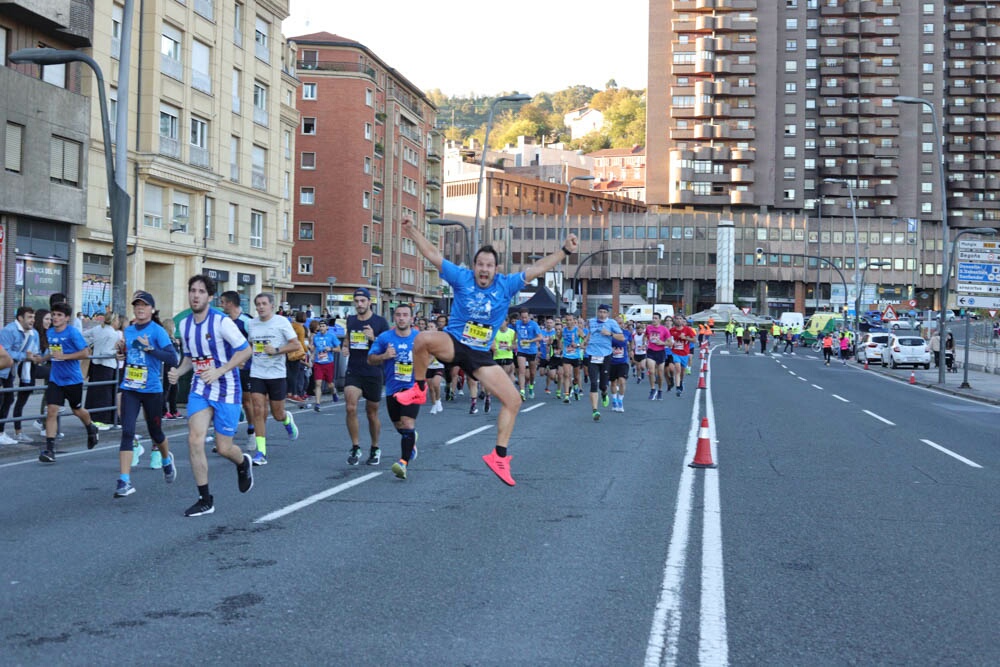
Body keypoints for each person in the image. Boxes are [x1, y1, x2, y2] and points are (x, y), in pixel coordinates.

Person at [392, 218, 579, 486]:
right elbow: (433, 255)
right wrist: (411, 230)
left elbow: (537, 268)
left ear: (495, 269)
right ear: (474, 266)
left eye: (489, 266)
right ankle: (419, 388)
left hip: (480, 355)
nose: (484, 270)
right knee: (422, 339)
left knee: (514, 400)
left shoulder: (506, 284)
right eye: (480, 264)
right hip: (455, 342)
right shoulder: (461, 277)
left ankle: (499, 456)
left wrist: (565, 252)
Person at [168, 274, 254, 517]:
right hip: (200, 388)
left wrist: (220, 370)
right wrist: (178, 370)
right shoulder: (184, 325)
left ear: (210, 296)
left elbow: (245, 350)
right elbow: (190, 357)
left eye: (201, 291)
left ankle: (242, 462)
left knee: (224, 447)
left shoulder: (221, 322)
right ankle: (205, 499)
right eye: (192, 290)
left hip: (227, 388)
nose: (196, 295)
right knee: (194, 440)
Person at [111, 291, 179, 498]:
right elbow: (129, 354)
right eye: (136, 305)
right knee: (127, 431)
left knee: (156, 433)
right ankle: (124, 480)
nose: (140, 308)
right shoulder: (129, 331)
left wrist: (150, 349)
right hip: (130, 387)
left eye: (144, 305)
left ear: (151, 309)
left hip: (151, 390)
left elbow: (173, 358)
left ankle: (167, 459)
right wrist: (121, 353)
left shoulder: (157, 331)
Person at [38, 302, 100, 463]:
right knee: (51, 410)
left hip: (73, 380)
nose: (55, 317)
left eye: (59, 315)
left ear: (66, 318)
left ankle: (91, 427)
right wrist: (41, 358)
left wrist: (65, 356)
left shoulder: (72, 333)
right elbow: (53, 353)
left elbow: (86, 352)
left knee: (77, 410)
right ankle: (50, 450)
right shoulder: (50, 332)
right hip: (56, 379)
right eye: (54, 314)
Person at [247, 293, 301, 465]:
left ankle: (286, 419)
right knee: (258, 410)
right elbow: (251, 345)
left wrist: (276, 350)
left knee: (277, 413)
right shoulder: (252, 324)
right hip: (257, 372)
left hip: (276, 374)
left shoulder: (281, 322)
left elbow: (296, 345)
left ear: (271, 305)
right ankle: (261, 452)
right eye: (258, 304)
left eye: (264, 303)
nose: (260, 307)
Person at [367, 303, 420, 480]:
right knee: (399, 425)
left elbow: (433, 355)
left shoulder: (419, 338)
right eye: (398, 315)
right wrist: (383, 356)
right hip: (392, 388)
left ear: (411, 318)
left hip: (413, 387)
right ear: (394, 317)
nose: (402, 318)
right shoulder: (384, 338)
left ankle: (403, 463)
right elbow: (370, 359)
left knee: (407, 422)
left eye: (405, 315)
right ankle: (411, 438)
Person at [341, 287, 389, 466]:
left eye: (362, 301)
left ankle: (375, 447)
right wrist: (345, 346)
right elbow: (348, 338)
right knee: (350, 407)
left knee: (371, 412)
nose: (359, 304)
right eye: (356, 301)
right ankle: (355, 446)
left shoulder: (380, 322)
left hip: (373, 371)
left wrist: (373, 338)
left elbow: (387, 347)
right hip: (354, 369)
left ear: (369, 302)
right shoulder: (351, 320)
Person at [0, 307, 43, 445]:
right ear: (20, 318)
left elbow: (35, 351)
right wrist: (25, 356)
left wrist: (36, 356)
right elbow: (4, 353)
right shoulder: (9, 330)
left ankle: (1, 432)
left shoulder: (33, 333)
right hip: (2, 369)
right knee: (4, 399)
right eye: (29, 317)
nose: (33, 320)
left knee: (8, 399)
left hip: (11, 371)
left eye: (33, 317)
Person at [219, 291, 256, 439]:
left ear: (230, 304)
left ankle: (252, 430)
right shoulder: (223, 321)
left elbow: (255, 344)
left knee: (247, 402)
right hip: (228, 367)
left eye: (222, 302)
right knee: (225, 401)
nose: (220, 305)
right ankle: (225, 434)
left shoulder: (247, 321)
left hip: (245, 368)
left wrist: (245, 359)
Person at [583, 305, 625, 421]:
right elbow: (590, 334)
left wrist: (610, 334)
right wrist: (585, 342)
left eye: (604, 312)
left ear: (608, 314)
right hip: (592, 354)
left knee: (603, 384)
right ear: (597, 312)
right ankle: (595, 410)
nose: (602, 314)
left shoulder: (612, 323)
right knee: (593, 383)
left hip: (606, 355)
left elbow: (622, 337)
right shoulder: (591, 321)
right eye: (600, 312)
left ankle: (604, 392)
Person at [82, 311, 119, 429]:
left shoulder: (98, 329)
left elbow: (83, 334)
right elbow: (106, 352)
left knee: (95, 391)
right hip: (107, 365)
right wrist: (116, 352)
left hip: (95, 364)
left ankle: (92, 416)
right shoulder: (114, 334)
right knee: (106, 393)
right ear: (114, 321)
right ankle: (104, 418)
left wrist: (89, 345)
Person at [311, 318, 341, 412]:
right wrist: (311, 354)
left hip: (328, 363)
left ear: (327, 327)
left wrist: (331, 349)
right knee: (318, 383)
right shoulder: (315, 337)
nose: (321, 328)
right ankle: (318, 404)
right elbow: (314, 348)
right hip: (318, 363)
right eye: (320, 326)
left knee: (330, 385)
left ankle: (334, 393)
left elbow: (338, 349)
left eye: (323, 326)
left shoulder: (332, 336)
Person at [514, 308, 543, 400]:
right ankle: (522, 391)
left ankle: (531, 387)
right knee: (521, 371)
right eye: (522, 317)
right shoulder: (518, 323)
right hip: (521, 350)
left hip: (531, 350)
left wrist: (530, 341)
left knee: (532, 373)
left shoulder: (534, 325)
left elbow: (540, 337)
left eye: (526, 317)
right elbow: (515, 333)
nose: (524, 319)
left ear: (529, 316)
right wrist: (514, 341)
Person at [645, 312, 672, 399]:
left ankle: (660, 390)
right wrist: (645, 342)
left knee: (660, 375)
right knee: (651, 371)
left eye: (656, 318)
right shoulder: (649, 328)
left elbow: (670, 343)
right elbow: (645, 336)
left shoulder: (664, 329)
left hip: (660, 352)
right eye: (653, 318)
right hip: (651, 351)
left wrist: (662, 343)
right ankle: (652, 389)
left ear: (659, 320)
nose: (654, 319)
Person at [609, 314, 633, 413]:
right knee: (613, 382)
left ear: (623, 324)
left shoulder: (626, 333)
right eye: (617, 323)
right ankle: (614, 400)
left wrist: (631, 350)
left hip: (623, 361)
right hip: (611, 361)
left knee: (622, 381)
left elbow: (630, 342)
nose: (619, 325)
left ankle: (620, 400)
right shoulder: (610, 334)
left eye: (621, 323)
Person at [668, 315, 696, 396]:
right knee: (678, 369)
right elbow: (667, 339)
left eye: (680, 319)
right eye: (677, 319)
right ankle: (677, 388)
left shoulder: (688, 330)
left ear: (683, 321)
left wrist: (685, 338)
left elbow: (694, 340)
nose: (679, 320)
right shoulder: (672, 330)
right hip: (675, 352)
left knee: (682, 372)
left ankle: (680, 382)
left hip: (684, 353)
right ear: (675, 320)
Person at [560, 314, 585, 404]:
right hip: (566, 355)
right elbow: (559, 339)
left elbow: (586, 340)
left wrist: (578, 345)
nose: (568, 322)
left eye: (570, 320)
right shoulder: (563, 330)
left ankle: (575, 387)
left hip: (576, 356)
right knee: (566, 375)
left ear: (574, 321)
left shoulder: (578, 330)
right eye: (567, 320)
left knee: (576, 377)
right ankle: (566, 395)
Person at [424, 320, 446, 414]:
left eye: (432, 327)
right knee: (431, 387)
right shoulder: (424, 340)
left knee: (436, 383)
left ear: (436, 329)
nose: (430, 328)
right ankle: (434, 405)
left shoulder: (441, 340)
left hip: (439, 365)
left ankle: (438, 400)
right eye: (428, 327)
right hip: (428, 366)